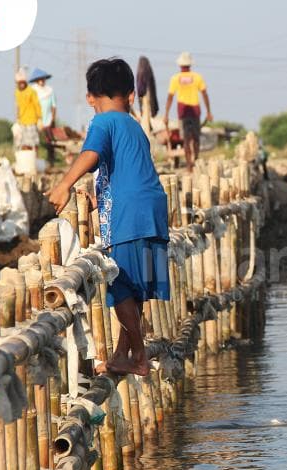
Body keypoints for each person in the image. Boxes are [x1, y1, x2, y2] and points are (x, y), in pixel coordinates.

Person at [45, 58, 169, 377]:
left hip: (130, 217)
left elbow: (91, 154)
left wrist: (63, 185)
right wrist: (99, 201)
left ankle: (138, 357)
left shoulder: (103, 122)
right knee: (133, 288)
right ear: (130, 94)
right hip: (151, 211)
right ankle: (121, 355)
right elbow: (130, 176)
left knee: (122, 286)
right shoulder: (133, 125)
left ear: (90, 97)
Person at [163, 51, 213, 172]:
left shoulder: (175, 78)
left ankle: (189, 166)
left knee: (186, 138)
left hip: (183, 111)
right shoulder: (197, 77)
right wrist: (208, 111)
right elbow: (204, 94)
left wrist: (166, 114)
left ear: (180, 65)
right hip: (195, 110)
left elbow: (170, 97)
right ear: (190, 64)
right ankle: (194, 160)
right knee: (196, 138)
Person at [29, 68, 58, 165]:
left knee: (50, 142)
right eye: (39, 79)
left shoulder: (50, 90)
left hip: (48, 120)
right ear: (37, 80)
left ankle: (51, 161)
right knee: (34, 142)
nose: (41, 81)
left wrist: (53, 118)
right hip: (36, 120)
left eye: (43, 79)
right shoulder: (33, 90)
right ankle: (34, 161)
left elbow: (54, 105)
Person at [14, 68, 42, 152]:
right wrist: (18, 119)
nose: (21, 84)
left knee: (33, 143)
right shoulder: (17, 92)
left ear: (25, 82)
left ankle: (34, 159)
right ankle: (25, 161)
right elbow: (18, 106)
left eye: (23, 82)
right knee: (22, 143)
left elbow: (37, 105)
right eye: (19, 83)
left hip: (31, 120)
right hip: (22, 121)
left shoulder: (31, 91)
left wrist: (40, 118)